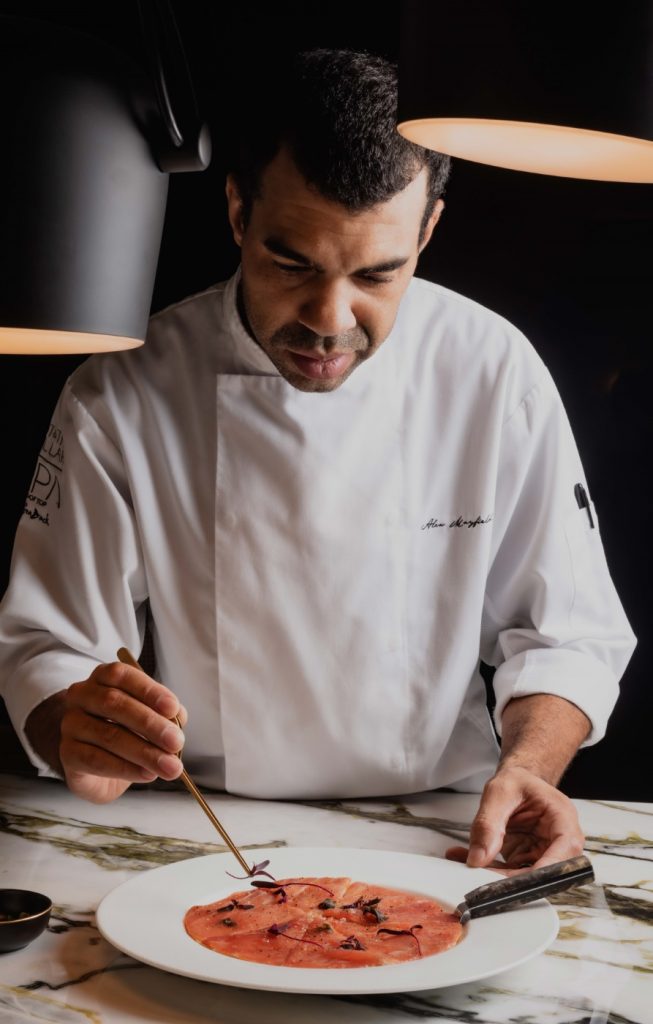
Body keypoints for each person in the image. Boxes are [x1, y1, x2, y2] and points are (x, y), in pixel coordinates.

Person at [0, 49, 635, 873]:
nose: (330, 320)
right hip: (200, 838)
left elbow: (567, 636)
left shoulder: (492, 371)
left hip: (443, 836)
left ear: (428, 229)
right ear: (236, 212)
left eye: (378, 272)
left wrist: (527, 770)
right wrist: (78, 727)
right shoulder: (123, 389)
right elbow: (50, 644)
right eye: (290, 264)